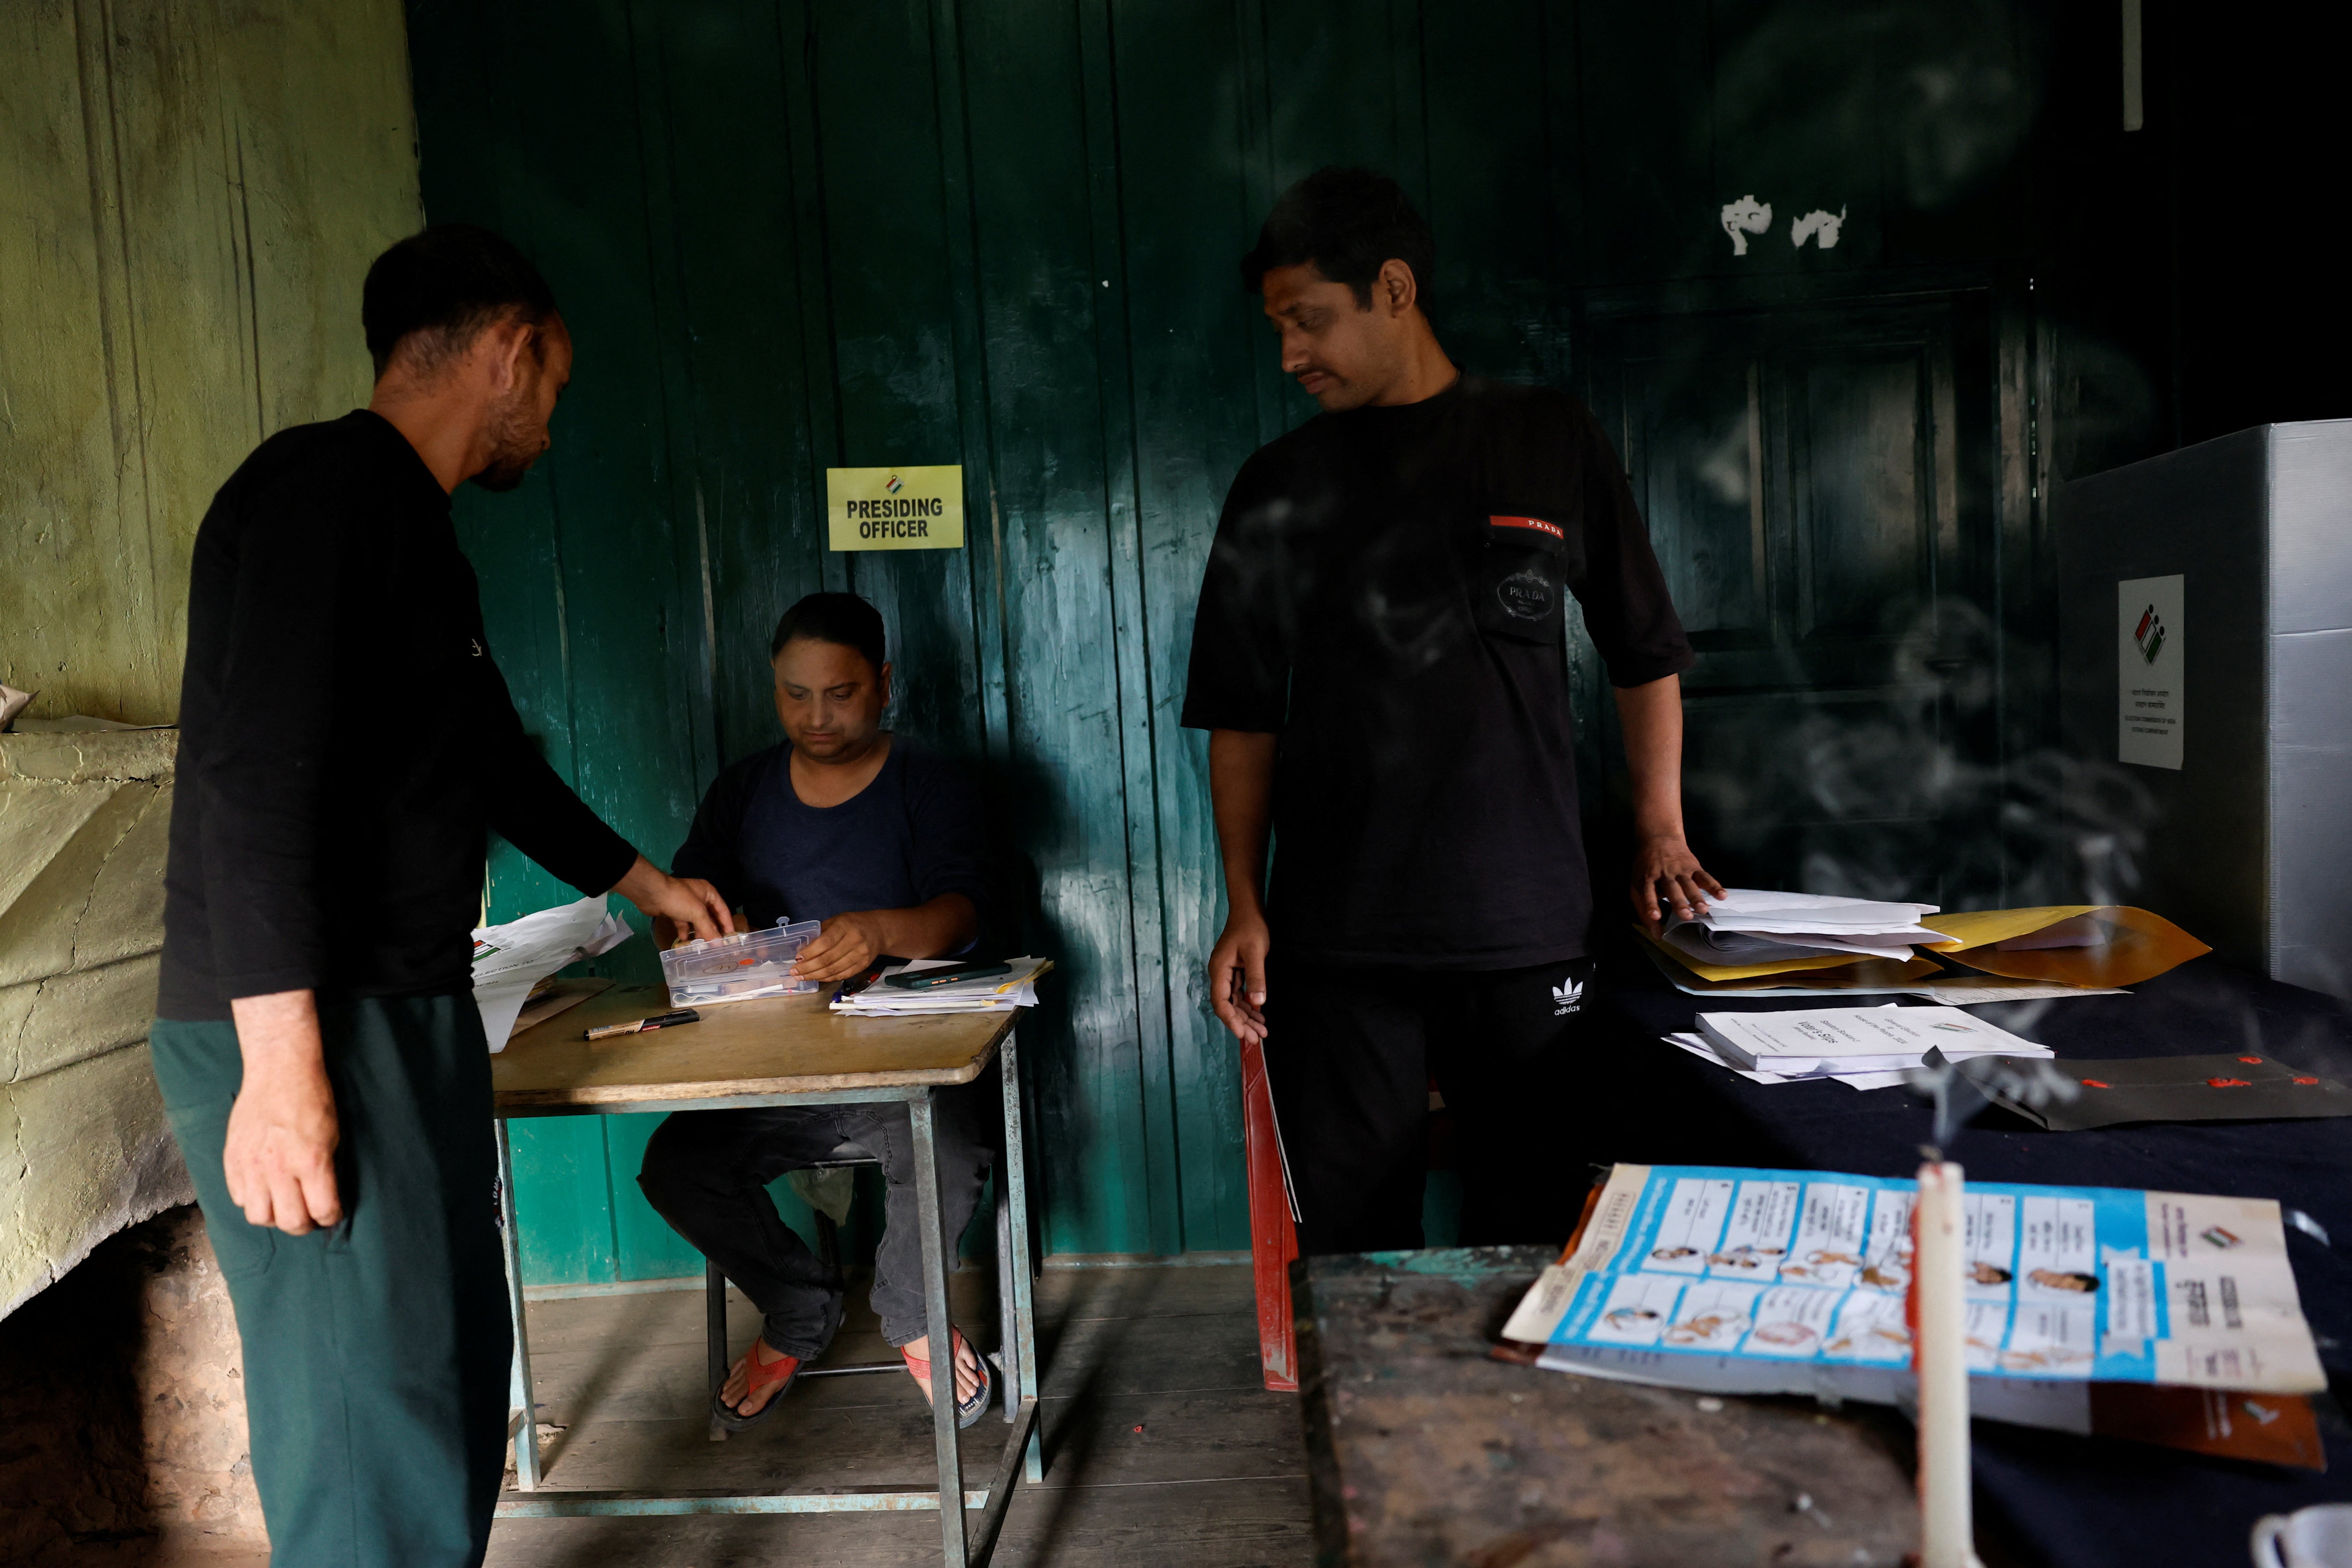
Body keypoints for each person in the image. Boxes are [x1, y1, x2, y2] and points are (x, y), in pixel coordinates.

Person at [150, 224, 734, 1568]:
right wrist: (283, 1064)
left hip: (398, 1010)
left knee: (448, 1382)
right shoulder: (322, 488)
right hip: (307, 1021)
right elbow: (253, 777)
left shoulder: (417, 535)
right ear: (511, 352)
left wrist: (645, 883)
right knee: (372, 1427)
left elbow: (487, 761)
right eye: (558, 389)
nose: (550, 424)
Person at [1182, 167, 1722, 1257]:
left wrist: (1659, 823)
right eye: (1279, 328)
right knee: (1350, 1237)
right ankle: (1361, 1432)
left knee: (1531, 1225)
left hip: (1525, 931)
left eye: (1308, 321)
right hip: (1334, 944)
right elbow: (1239, 713)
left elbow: (1643, 648)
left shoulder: (1545, 439)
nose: (1289, 355)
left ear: (1392, 288)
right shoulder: (1274, 484)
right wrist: (1244, 902)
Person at [637, 593, 1000, 1432]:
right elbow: (681, 904)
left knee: (946, 1147)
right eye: (794, 694)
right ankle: (801, 1307)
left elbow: (966, 912)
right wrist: (688, 927)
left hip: (902, 1066)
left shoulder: (928, 784)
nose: (817, 715)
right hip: (771, 1071)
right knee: (676, 1165)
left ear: (880, 683)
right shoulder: (743, 792)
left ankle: (910, 1314)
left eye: (839, 693)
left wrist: (878, 931)